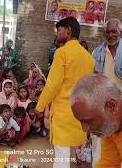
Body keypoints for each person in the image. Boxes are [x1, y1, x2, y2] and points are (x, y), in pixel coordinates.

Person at [35, 17, 95, 168]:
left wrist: (39, 107)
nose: (56, 34)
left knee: (61, 158)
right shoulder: (89, 58)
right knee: (70, 152)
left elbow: (52, 85)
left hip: (63, 113)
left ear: (68, 31)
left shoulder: (62, 52)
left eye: (59, 30)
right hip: (80, 113)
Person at [93, 19, 122, 88]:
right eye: (107, 32)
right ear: (104, 33)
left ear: (120, 33)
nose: (110, 35)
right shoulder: (96, 53)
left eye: (114, 32)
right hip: (103, 95)